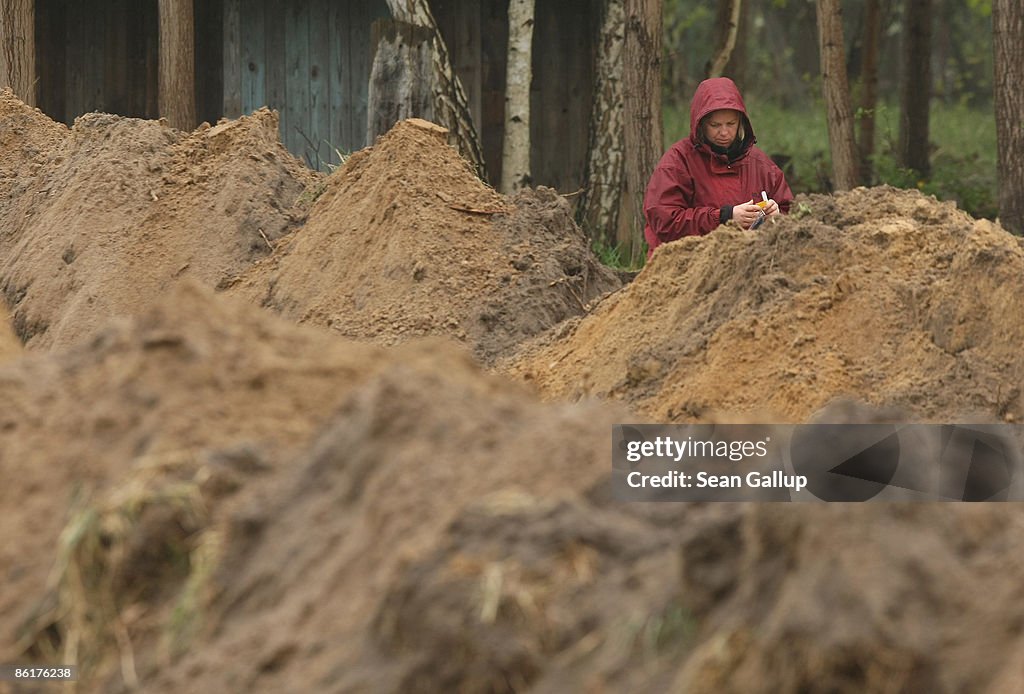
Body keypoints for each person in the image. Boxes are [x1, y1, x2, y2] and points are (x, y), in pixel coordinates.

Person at [643, 77, 794, 258]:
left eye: (731, 124)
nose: (724, 132)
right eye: (715, 125)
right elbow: (664, 222)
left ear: (741, 123)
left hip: (749, 262)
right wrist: (724, 217)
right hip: (687, 264)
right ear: (700, 124)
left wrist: (777, 217)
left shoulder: (761, 165)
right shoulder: (677, 162)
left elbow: (791, 214)